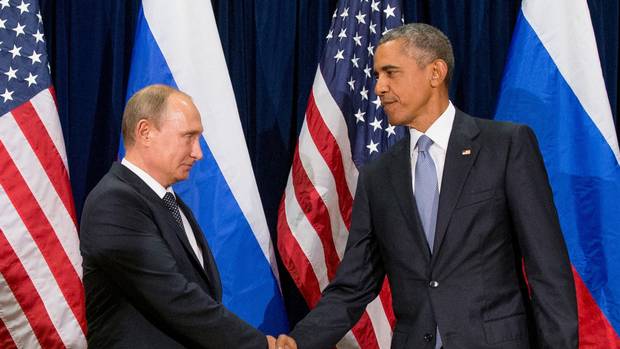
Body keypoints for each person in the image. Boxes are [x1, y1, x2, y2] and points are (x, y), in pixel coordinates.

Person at [277, 23, 578, 349]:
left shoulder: (504, 147)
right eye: (377, 75)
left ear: (435, 72)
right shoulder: (377, 176)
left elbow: (548, 271)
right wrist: (299, 342)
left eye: (390, 73)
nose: (379, 87)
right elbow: (353, 285)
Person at [80, 84, 275, 348]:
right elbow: (174, 297)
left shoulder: (170, 203)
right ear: (145, 132)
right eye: (188, 137)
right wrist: (262, 345)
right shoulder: (114, 203)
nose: (198, 153)